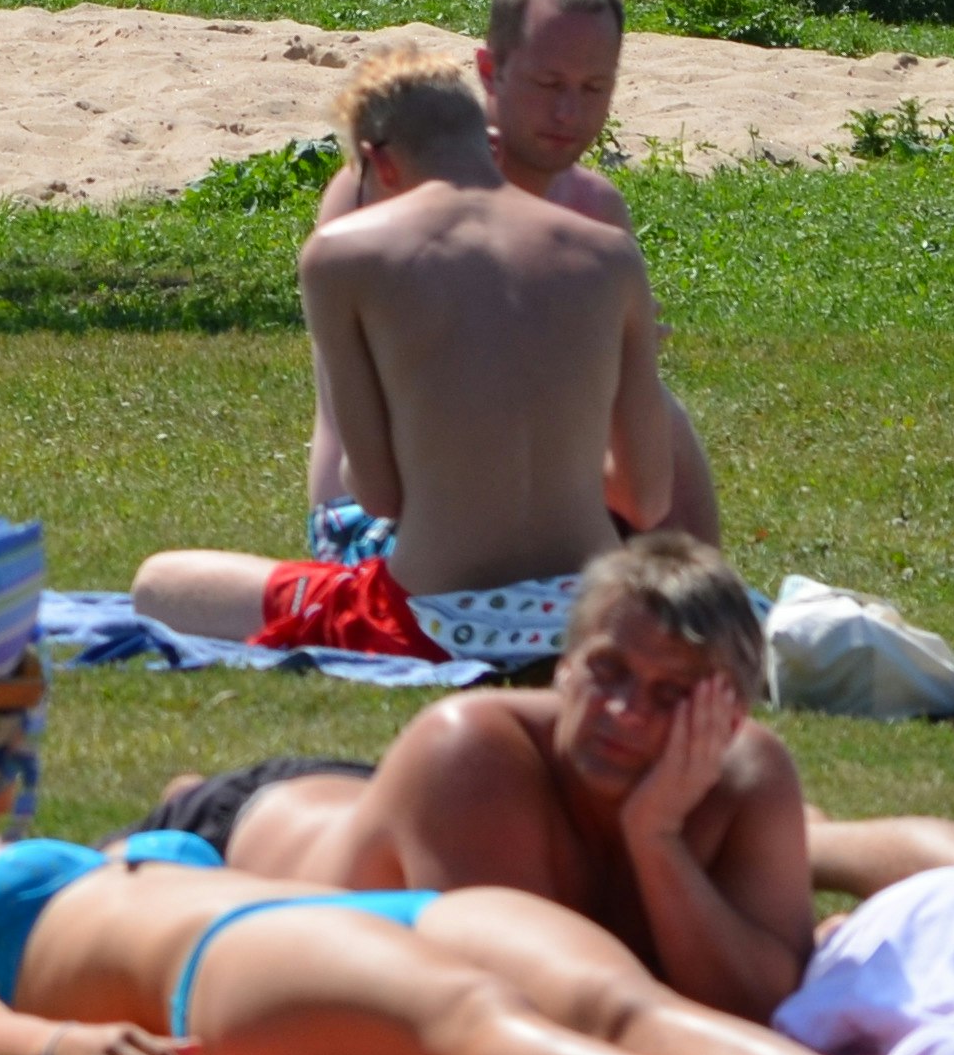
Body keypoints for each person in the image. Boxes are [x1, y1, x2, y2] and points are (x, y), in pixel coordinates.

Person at [160, 540, 954, 1021]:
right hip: (249, 827)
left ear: (727, 714)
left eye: (670, 695)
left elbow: (760, 1005)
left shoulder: (745, 772)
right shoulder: (469, 750)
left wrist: (656, 839)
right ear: (562, 666)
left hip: (446, 830)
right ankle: (183, 790)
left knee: (807, 841)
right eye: (607, 671)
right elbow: (533, 1005)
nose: (623, 712)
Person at [134, 52, 673, 668]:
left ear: (381, 162)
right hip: (593, 612)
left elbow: (378, 494)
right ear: (491, 145)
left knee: (160, 582)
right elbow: (648, 497)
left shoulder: (342, 255)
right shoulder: (607, 254)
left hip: (433, 618)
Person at [0, 835, 855, 1055]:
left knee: (619, 1002)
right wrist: (62, 1046)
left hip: (355, 916)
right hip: (231, 961)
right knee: (473, 1017)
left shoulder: (77, 844)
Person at [307, 0, 719, 549]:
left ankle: (697, 596)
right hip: (382, 508)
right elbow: (406, 407)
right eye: (549, 84)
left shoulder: (594, 209)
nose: (569, 113)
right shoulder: (382, 187)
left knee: (662, 416)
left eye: (594, 88)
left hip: (535, 500)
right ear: (488, 71)